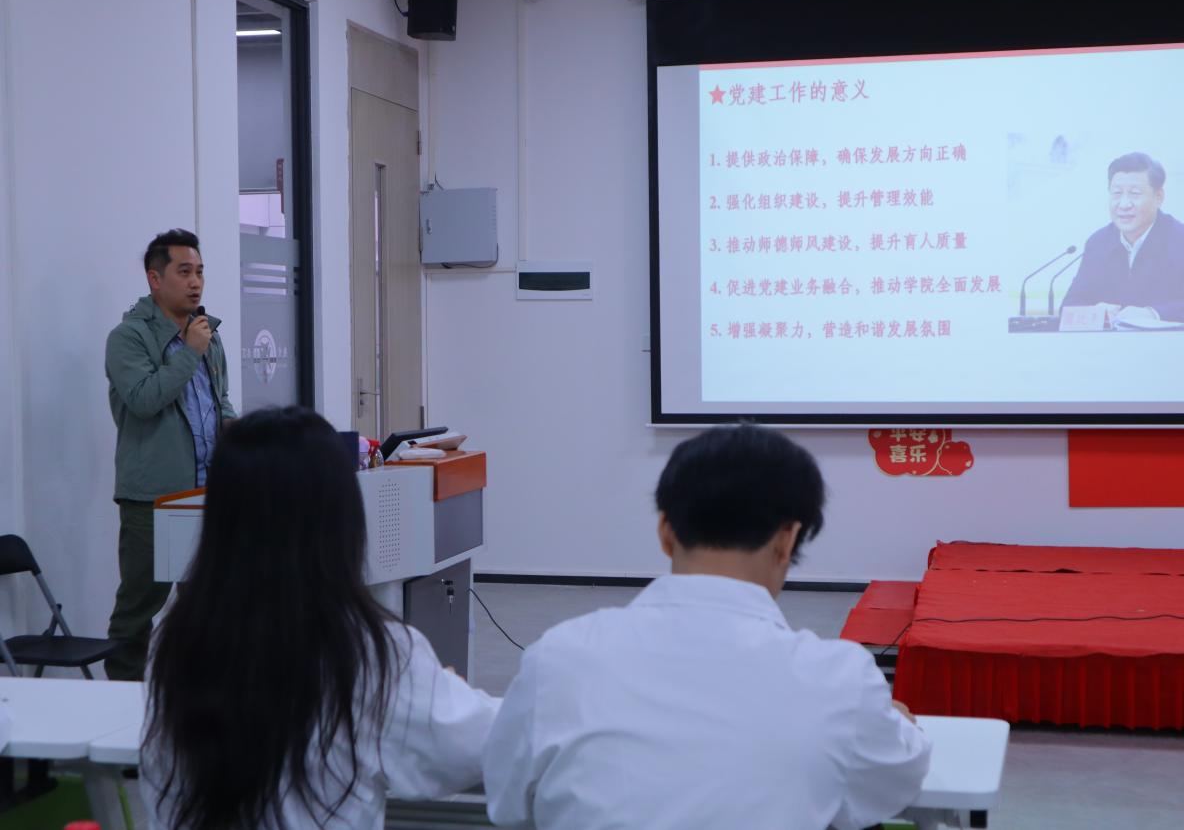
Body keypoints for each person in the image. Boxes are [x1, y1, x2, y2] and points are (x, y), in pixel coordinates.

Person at [482, 424, 930, 830]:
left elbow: (509, 803)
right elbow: (895, 781)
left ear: (665, 531)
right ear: (787, 539)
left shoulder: (560, 658)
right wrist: (888, 721)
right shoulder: (840, 682)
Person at [141, 406, 500, 830]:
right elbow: (484, 742)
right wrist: (441, 689)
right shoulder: (371, 653)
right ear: (341, 520)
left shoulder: (174, 640)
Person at [103, 229, 236, 680]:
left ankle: (198, 700)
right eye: (184, 272)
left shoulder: (208, 334)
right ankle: (124, 702)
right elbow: (144, 399)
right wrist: (189, 352)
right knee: (138, 610)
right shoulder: (129, 338)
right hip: (153, 500)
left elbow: (219, 401)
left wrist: (243, 434)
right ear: (155, 279)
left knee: (208, 607)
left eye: (199, 271)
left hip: (206, 494)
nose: (195, 282)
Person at [1062, 152, 1184, 323]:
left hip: (1166, 339)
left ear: (1158, 197)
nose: (1124, 204)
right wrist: (1095, 312)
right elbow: (1070, 306)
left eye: (1135, 194)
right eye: (1117, 193)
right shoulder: (1098, 243)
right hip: (1111, 340)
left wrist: (1152, 314)